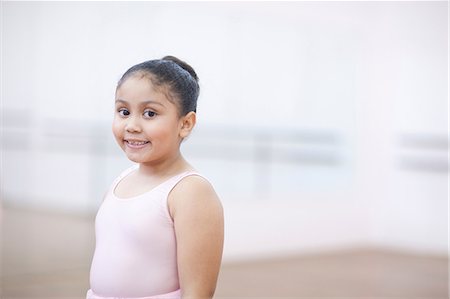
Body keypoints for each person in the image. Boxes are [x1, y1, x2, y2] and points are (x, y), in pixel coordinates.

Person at [87, 56, 224, 299]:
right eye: (124, 111)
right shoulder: (121, 180)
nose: (132, 125)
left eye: (150, 113)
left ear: (185, 124)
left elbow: (198, 292)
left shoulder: (190, 191)